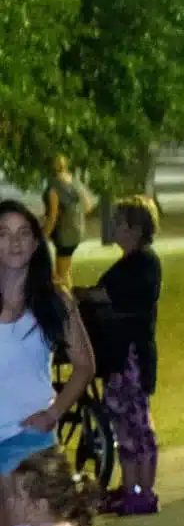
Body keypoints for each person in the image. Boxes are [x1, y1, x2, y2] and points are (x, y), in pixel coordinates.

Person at [77, 199, 163, 515]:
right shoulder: (125, 264)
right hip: (117, 357)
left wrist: (79, 294)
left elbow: (109, 295)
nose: (112, 228)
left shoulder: (144, 264)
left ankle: (143, 490)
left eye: (119, 223)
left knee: (138, 422)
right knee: (121, 424)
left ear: (136, 230)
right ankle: (129, 487)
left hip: (133, 356)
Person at [0, 201, 95, 478]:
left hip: (30, 443)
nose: (15, 242)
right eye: (3, 233)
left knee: (34, 522)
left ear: (35, 243)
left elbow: (85, 365)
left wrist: (52, 415)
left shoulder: (54, 301)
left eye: (23, 233)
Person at [40, 158, 93, 287]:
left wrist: (42, 237)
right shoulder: (74, 181)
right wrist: (73, 216)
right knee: (66, 272)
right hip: (77, 231)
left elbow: (52, 217)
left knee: (60, 277)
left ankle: (68, 304)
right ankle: (71, 301)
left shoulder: (53, 187)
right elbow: (88, 206)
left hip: (64, 236)